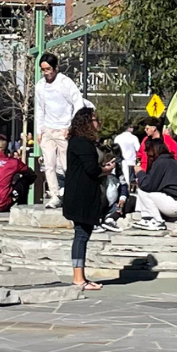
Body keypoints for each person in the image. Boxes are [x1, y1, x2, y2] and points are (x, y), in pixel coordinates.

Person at [60, 109, 110, 289]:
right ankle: (78, 278)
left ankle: (80, 276)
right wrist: (106, 170)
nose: (98, 124)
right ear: (87, 122)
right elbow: (92, 169)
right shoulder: (82, 143)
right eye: (95, 120)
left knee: (83, 234)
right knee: (81, 235)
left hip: (79, 193)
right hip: (81, 195)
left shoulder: (77, 142)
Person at [33, 54, 88, 201]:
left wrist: (71, 126)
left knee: (66, 165)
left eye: (48, 69)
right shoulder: (40, 86)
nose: (46, 73)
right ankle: (54, 194)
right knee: (49, 165)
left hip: (63, 129)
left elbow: (78, 103)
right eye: (43, 70)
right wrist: (39, 131)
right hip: (47, 129)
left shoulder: (65, 83)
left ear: (56, 68)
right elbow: (39, 109)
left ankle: (72, 192)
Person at [131, 139, 177, 230]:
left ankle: (152, 220)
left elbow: (148, 186)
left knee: (142, 190)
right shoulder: (171, 161)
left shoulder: (160, 163)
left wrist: (140, 173)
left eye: (147, 150)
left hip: (175, 205)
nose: (146, 153)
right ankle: (149, 218)